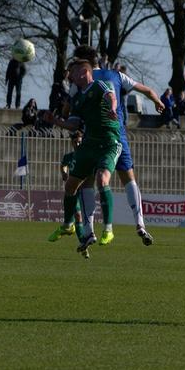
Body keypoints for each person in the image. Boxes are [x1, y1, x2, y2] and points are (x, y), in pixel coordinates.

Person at [67, 45, 164, 246]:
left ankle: (89, 229)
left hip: (92, 137)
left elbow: (71, 107)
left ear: (84, 65)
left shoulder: (80, 82)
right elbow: (145, 89)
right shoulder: (116, 75)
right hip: (116, 134)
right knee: (128, 177)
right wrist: (157, 101)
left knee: (88, 182)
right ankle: (140, 223)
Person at [44, 58, 121, 256]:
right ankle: (68, 225)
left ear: (83, 72)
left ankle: (108, 229)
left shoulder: (99, 84)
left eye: (72, 72)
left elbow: (111, 96)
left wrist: (112, 108)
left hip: (109, 142)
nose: (70, 76)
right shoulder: (77, 99)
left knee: (102, 179)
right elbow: (73, 125)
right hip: (90, 144)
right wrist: (56, 121)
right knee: (70, 186)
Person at [48, 130, 89, 258]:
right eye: (75, 142)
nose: (77, 144)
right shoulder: (69, 156)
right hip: (74, 190)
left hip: (85, 190)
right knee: (78, 216)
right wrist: (64, 173)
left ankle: (66, 228)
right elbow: (63, 165)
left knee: (79, 218)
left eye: (79, 142)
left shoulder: (86, 156)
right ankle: (83, 246)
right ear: (71, 142)